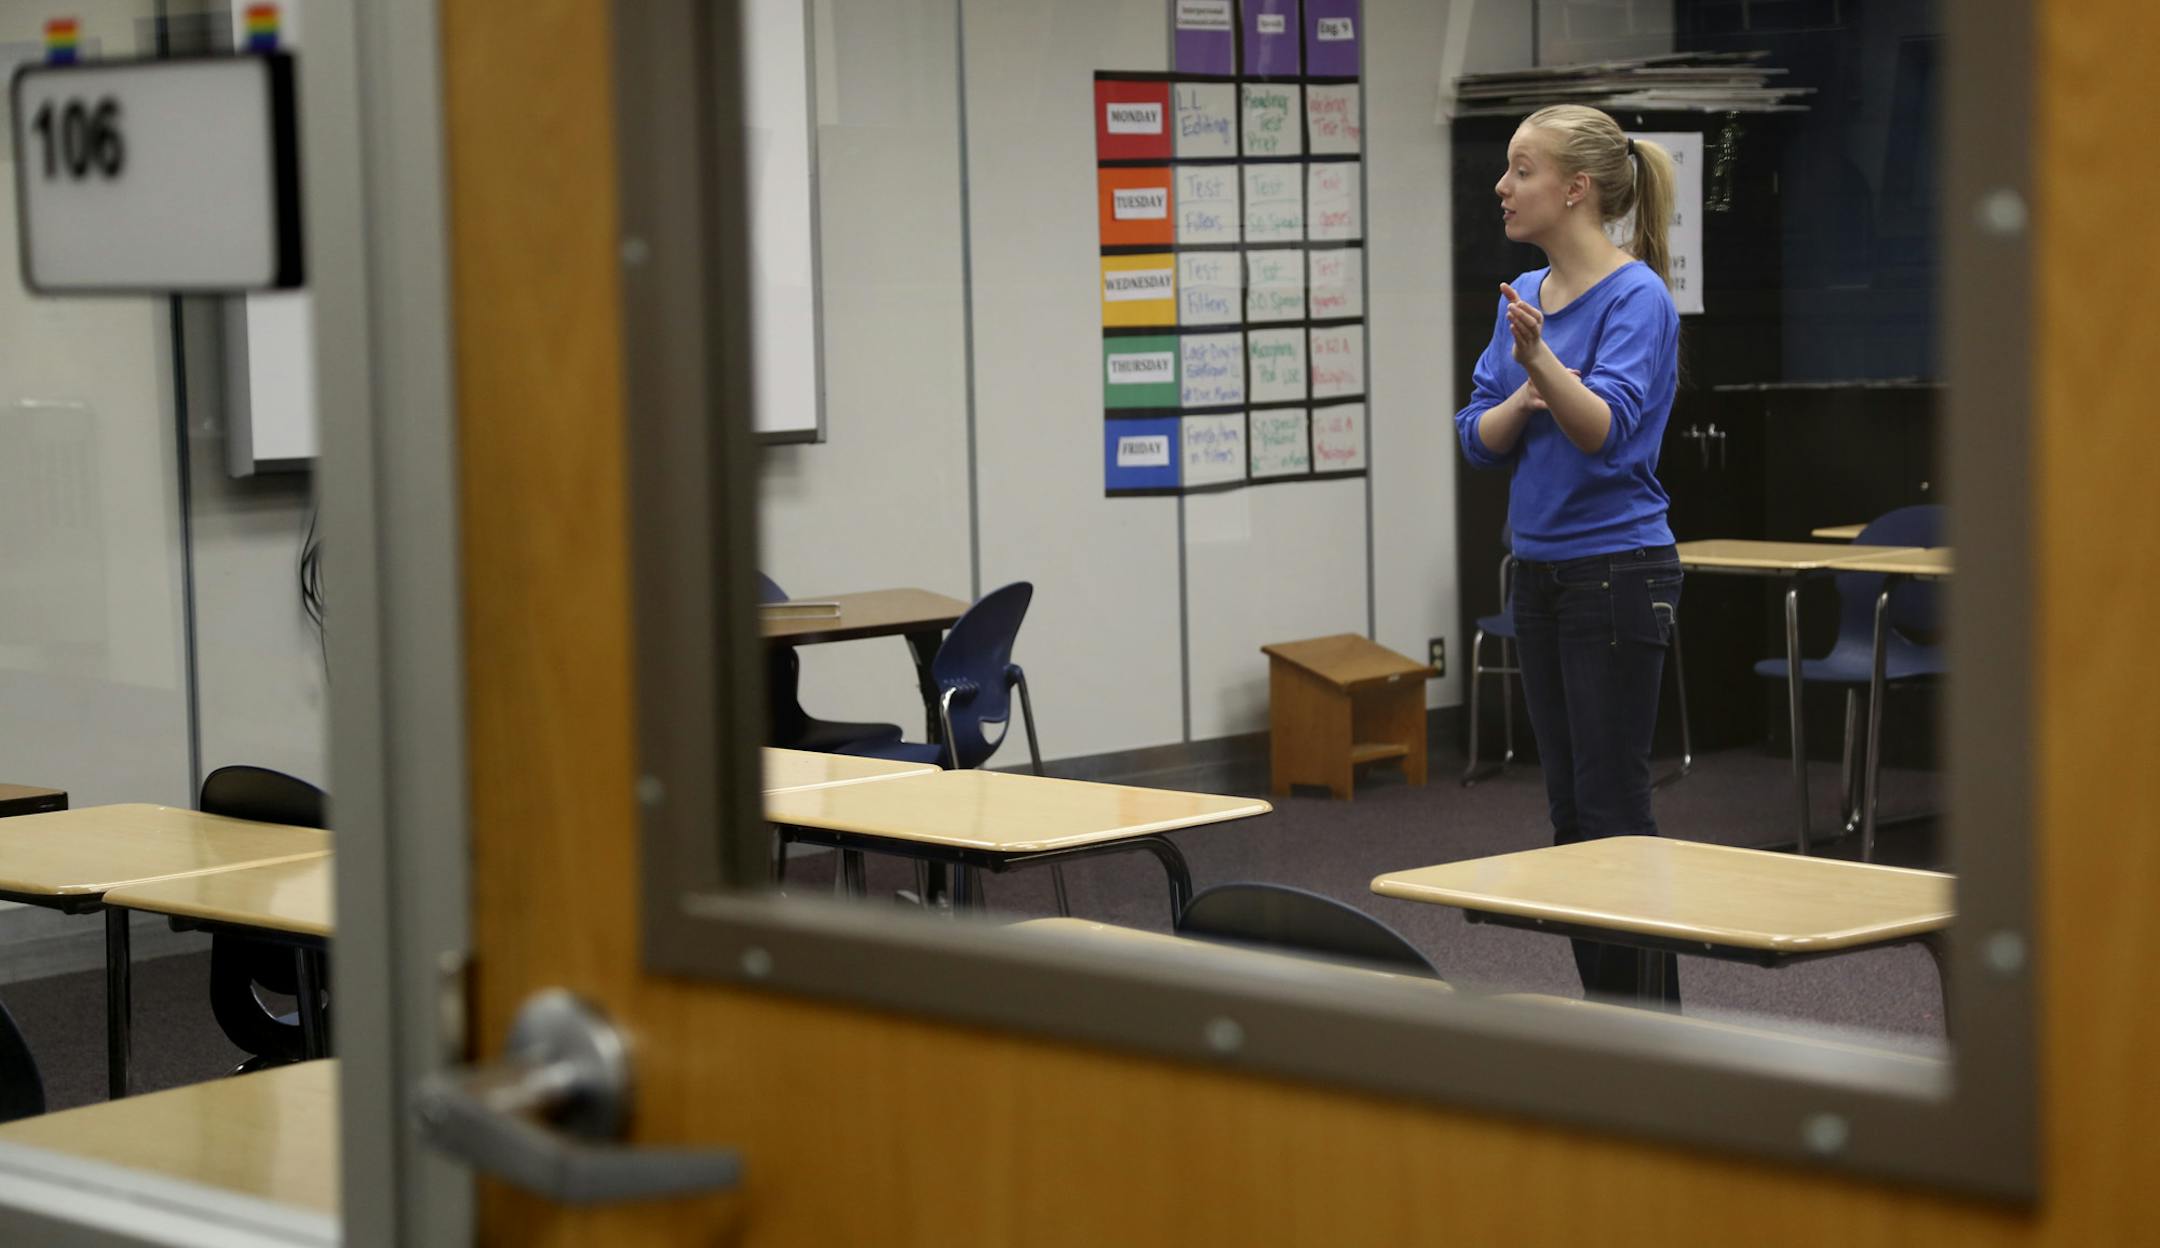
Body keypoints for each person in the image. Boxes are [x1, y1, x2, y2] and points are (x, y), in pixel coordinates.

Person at [1453, 105, 1685, 1005]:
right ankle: (1612, 1030)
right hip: (1541, 575)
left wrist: (1544, 369)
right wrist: (1523, 396)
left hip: (1618, 575)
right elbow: (1477, 434)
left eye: (1522, 171)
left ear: (1576, 189)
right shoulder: (1522, 296)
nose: (1503, 188)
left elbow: (1603, 429)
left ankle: (1651, 1036)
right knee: (1569, 817)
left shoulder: (1637, 299)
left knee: (1615, 816)